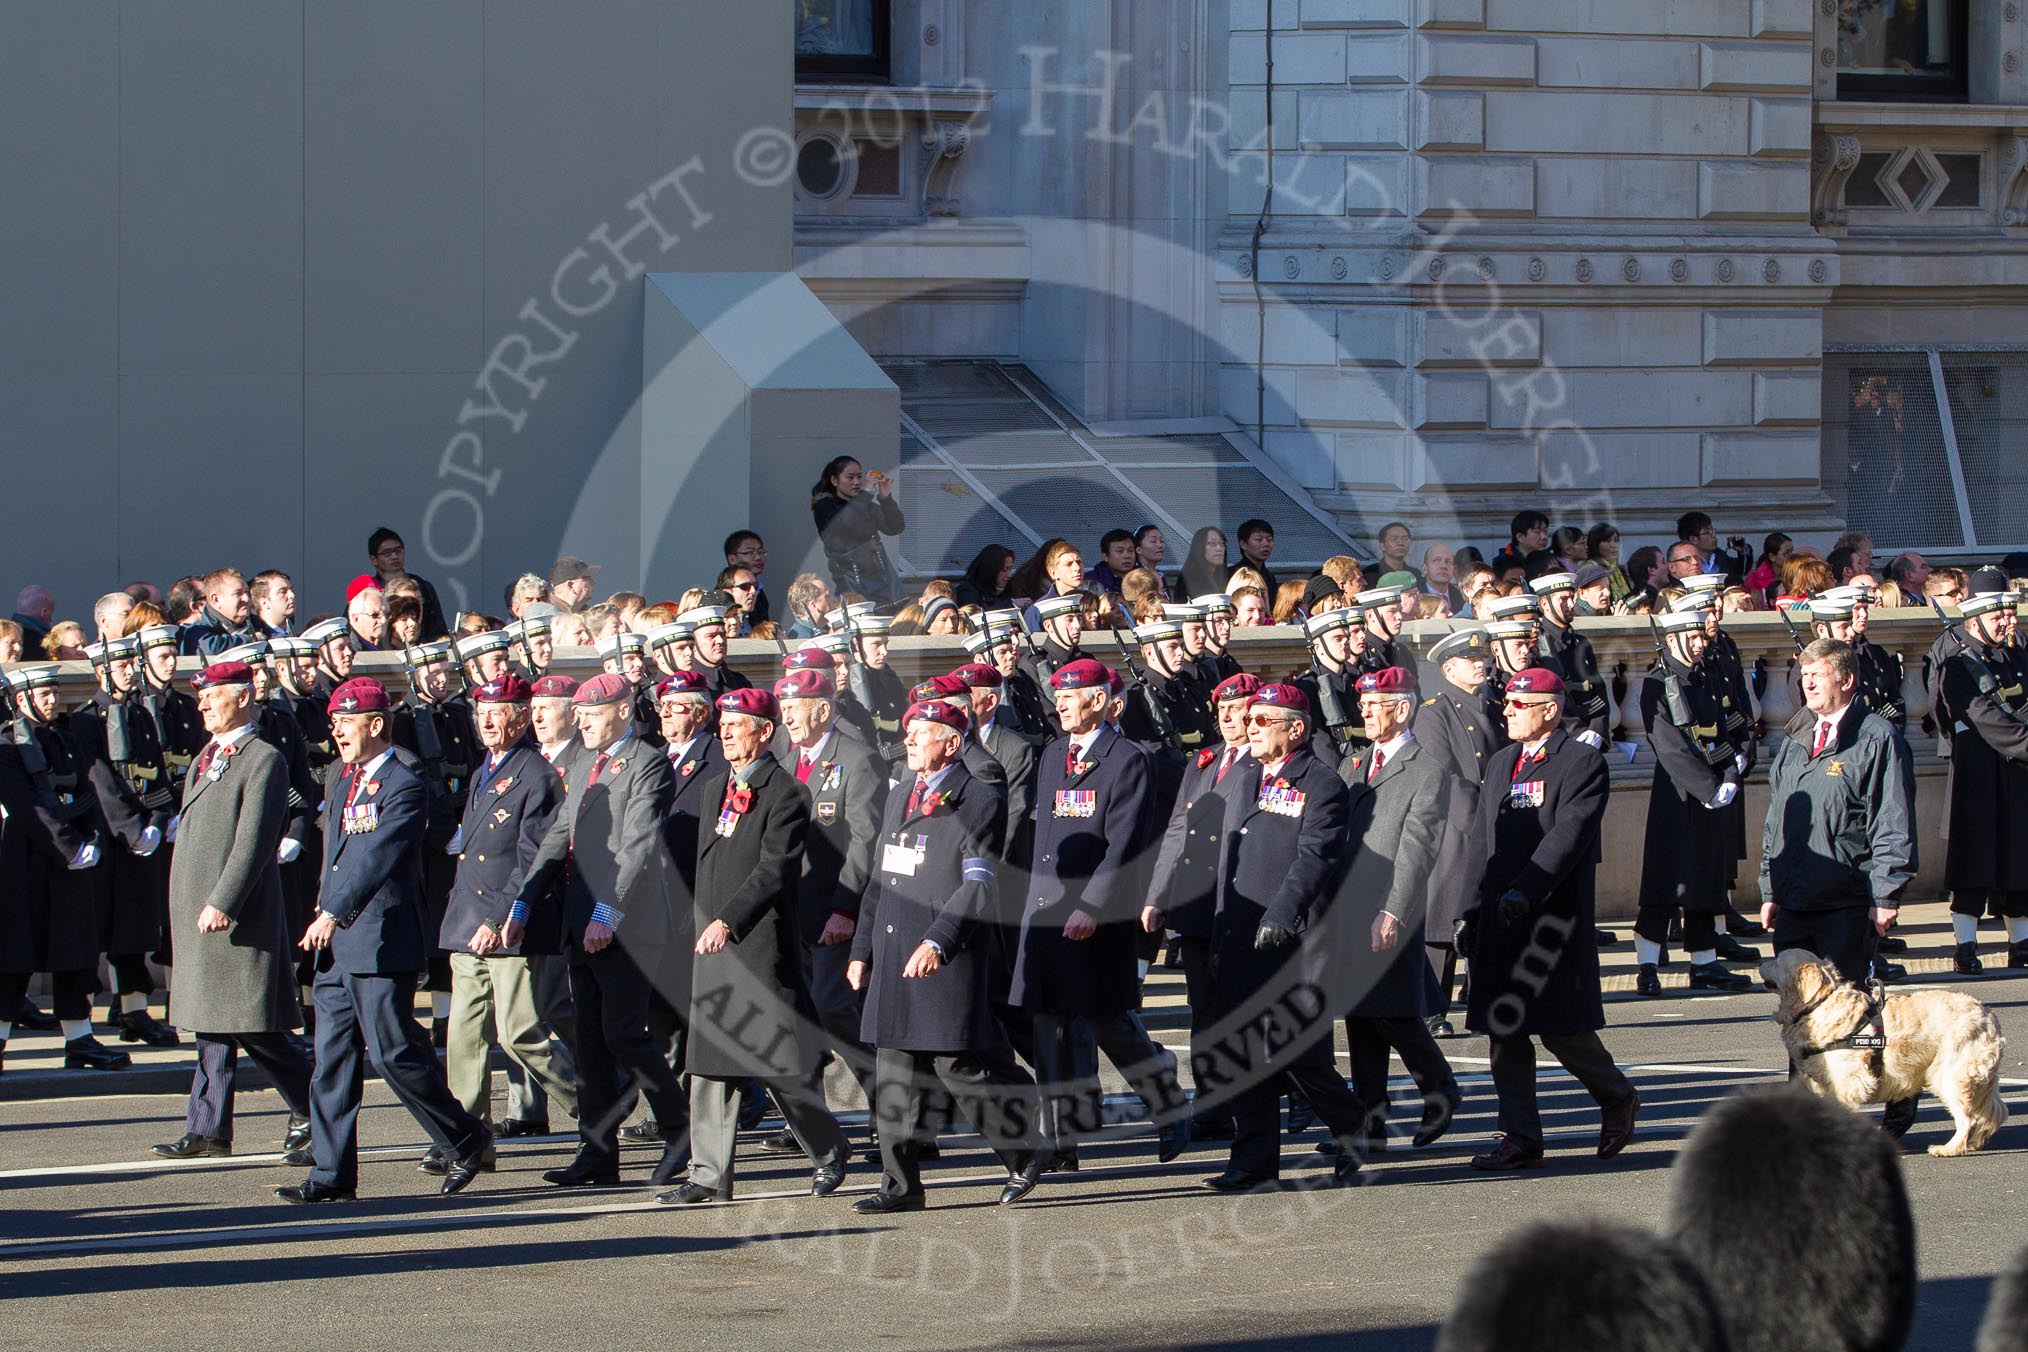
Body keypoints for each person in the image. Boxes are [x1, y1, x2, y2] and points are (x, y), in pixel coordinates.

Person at [278, 677, 491, 1203]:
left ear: (375, 725)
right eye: (333, 722)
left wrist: (332, 911)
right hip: (334, 945)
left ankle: (464, 1137)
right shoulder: (337, 776)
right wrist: (322, 911)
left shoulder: (405, 782)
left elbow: (379, 856)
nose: (337, 731)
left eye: (346, 722)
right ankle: (330, 1176)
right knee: (331, 1062)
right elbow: (336, 856)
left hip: (378, 939)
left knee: (394, 1053)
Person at [844, 699, 1052, 1212]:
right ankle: (900, 1187)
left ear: (952, 743)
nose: (909, 740)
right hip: (895, 950)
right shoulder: (901, 795)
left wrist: (939, 940)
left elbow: (976, 885)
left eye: (921, 733)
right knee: (892, 1070)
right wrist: (862, 948)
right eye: (909, 732)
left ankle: (1025, 1152)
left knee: (956, 1067)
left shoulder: (975, 797)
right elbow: (881, 879)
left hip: (942, 952)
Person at [661, 687, 850, 1205]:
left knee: (775, 1063)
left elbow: (774, 869)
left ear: (765, 732)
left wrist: (728, 921)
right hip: (709, 944)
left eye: (736, 723)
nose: (724, 731)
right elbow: (703, 865)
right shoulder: (714, 786)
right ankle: (707, 1175)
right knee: (709, 1062)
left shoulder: (786, 791)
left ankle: (830, 1146)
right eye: (721, 722)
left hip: (756, 944)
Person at [503, 673, 690, 1188]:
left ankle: (681, 1133)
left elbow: (639, 845)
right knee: (588, 1043)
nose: (580, 718)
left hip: (625, 923)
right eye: (579, 710)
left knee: (625, 1034)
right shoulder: (585, 762)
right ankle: (597, 1153)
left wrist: (608, 913)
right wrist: (524, 902)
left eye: (592, 709)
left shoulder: (648, 763)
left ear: (624, 709)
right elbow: (556, 837)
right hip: (578, 921)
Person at [1011, 658, 1190, 1168]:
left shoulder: (1127, 759)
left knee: (1108, 1021)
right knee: (1048, 1028)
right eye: (1057, 694)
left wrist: (1092, 905)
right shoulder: (1051, 756)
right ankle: (1058, 1144)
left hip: (1095, 918)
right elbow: (1044, 838)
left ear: (1097, 700)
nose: (1059, 702)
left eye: (1071, 694)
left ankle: (1168, 1105)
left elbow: (1125, 845)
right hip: (1046, 913)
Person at [1462, 668, 1638, 1171]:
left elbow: (1569, 835)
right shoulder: (1501, 763)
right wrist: (1467, 908)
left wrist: (1528, 889)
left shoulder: (1580, 761)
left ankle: (1617, 1096)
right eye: (1508, 704)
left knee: (1562, 1027)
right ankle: (1520, 1136)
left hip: (1548, 917)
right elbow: (1481, 841)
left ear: (1550, 709)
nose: (1508, 711)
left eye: (1520, 705)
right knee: (1504, 1029)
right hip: (1499, 916)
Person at [1200, 681, 1367, 1190]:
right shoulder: (1245, 774)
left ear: (1294, 729)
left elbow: (1314, 856)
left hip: (1291, 939)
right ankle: (1252, 1162)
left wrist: (1282, 913)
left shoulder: (1320, 783)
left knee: (1299, 1055)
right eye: (1247, 720)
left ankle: (1353, 1126)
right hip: (1239, 933)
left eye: (1260, 721)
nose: (1248, 729)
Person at [152, 660, 315, 1161]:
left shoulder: (261, 757)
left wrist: (224, 900)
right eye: (200, 695)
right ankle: (207, 1128)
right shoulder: (208, 753)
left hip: (235, 913)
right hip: (198, 909)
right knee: (211, 1024)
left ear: (242, 697)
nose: (201, 703)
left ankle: (316, 1106)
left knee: (254, 1023)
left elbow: (254, 840)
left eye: (212, 694)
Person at [429, 675, 576, 1173]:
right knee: (464, 1039)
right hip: (467, 921)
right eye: (480, 712)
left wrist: (501, 917)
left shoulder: (535, 774)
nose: (486, 721)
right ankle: (468, 1141)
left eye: (498, 712)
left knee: (520, 1036)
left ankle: (599, 1105)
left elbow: (533, 859)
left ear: (519, 718)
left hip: (509, 926)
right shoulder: (483, 771)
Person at [1332, 668, 1462, 1154]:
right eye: (1363, 702)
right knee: (1362, 1016)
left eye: (1375, 703)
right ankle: (1370, 1123)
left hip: (1387, 908)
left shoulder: (1425, 770)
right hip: (1350, 908)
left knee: (1392, 1012)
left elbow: (1417, 850)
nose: (1363, 710)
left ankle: (1441, 1089)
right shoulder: (1355, 764)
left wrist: (1394, 911)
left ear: (1402, 708)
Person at [1760, 637, 1915, 997]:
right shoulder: (1796, 737)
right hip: (1793, 904)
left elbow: (1892, 821)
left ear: (1846, 680)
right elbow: (1775, 821)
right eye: (1804, 674)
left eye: (1818, 674)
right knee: (1799, 1018)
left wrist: (1886, 895)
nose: (1808, 683)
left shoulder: (1876, 738)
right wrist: (1769, 890)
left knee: (1847, 1017)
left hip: (1845, 905)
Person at [772, 665, 887, 1149]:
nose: (788, 719)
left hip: (833, 910)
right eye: (784, 710)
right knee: (798, 1016)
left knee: (834, 1009)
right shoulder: (783, 755)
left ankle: (894, 1109)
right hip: (790, 910)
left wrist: (846, 909)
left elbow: (865, 842)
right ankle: (810, 1122)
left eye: (795, 710)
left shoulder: (856, 759)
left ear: (822, 710)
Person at [1144, 672, 1258, 1140]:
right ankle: (1212, 1108)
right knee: (1205, 1007)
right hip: (1197, 905)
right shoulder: (1205, 760)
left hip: (1240, 901)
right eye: (1223, 709)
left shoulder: (1270, 763)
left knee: (1243, 1007)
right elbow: (1177, 829)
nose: (1229, 717)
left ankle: (1262, 1103)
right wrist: (1157, 893)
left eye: (1239, 708)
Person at [0, 665, 130, 1073]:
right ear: (21, 700)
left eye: (54, 692)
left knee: (75, 955)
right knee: (14, 961)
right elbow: (27, 807)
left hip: (70, 865)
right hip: (27, 863)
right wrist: (70, 847)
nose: (52, 700)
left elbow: (87, 790)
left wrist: (89, 840)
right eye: (43, 694)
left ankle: (80, 1040)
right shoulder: (7, 745)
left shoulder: (65, 738)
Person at [1633, 609, 1755, 998]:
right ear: (1671, 640)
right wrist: (1707, 788)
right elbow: (1670, 747)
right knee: (1666, 879)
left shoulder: (1705, 676)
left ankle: (1704, 962)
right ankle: (1647, 965)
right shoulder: (1658, 684)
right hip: (1679, 793)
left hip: (1714, 788)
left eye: (1701, 635)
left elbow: (1725, 729)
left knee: (1707, 876)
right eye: (1691, 636)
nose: (1700, 642)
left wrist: (1733, 772)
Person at [71, 637, 175, 1044]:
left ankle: (136, 1013)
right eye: (122, 665)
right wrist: (133, 828)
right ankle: (81, 1024)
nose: (131, 670)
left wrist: (159, 819)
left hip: (141, 837)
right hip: (107, 838)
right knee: (96, 931)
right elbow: (100, 780)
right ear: (102, 672)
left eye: (133, 662)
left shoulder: (141, 714)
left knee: (135, 928)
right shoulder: (86, 720)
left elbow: (156, 773)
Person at [1930, 589, 2028, 974]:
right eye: (1999, 616)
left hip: (2016, 773)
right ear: (1974, 622)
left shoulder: (2016, 655)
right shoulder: (1958, 665)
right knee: (1975, 860)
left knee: (2019, 858)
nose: (2008, 621)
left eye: (2010, 613)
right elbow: (1986, 720)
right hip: (1979, 774)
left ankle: (2021, 944)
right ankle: (1966, 946)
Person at [1414, 628, 1503, 1037]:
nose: (1479, 663)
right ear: (1448, 668)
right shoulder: (1435, 712)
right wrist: (1480, 817)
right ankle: (1432, 1007)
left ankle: (1483, 1001)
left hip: (1493, 824)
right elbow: (1442, 774)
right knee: (1443, 923)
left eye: (1481, 658)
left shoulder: (1496, 705)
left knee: (1486, 922)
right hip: (1457, 828)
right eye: (1470, 660)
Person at [390, 641, 477, 1043]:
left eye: (444, 670)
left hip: (460, 829)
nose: (440, 678)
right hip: (427, 838)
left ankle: (444, 1019)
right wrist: (443, 830)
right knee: (423, 927)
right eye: (431, 672)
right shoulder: (404, 719)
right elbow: (414, 781)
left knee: (449, 926)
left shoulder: (457, 714)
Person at [811, 456, 905, 606]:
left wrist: (885, 498)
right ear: (835, 481)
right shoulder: (825, 506)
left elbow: (894, 527)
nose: (856, 482)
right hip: (851, 581)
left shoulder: (864, 504)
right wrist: (866, 493)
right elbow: (847, 522)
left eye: (859, 477)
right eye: (850, 477)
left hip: (880, 580)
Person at [1529, 572, 1609, 744]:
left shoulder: (1580, 642)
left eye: (1572, 597)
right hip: (1558, 739)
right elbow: (1544, 698)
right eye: (1563, 599)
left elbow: (1599, 691)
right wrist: (1577, 733)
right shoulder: (1536, 645)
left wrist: (1597, 730)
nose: (1571, 604)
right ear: (1545, 604)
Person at [1293, 606, 1368, 757]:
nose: (1346, 642)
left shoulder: (1355, 680)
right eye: (1338, 639)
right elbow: (1321, 744)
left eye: (1347, 637)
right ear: (1318, 647)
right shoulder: (1308, 687)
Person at [722, 530, 770, 627]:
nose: (758, 557)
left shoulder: (760, 595)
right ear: (732, 559)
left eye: (761, 552)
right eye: (749, 552)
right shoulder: (721, 600)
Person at [955, 544, 1017, 610]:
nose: (1009, 575)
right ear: (990, 569)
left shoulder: (1007, 589)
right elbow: (974, 614)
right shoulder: (967, 593)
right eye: (1004, 570)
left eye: (1010, 569)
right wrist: (1010, 604)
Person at [1493, 510, 1549, 579]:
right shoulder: (1503, 562)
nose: (1544, 537)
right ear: (1520, 537)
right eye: (1537, 532)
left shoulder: (1550, 560)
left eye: (1545, 531)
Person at [1177, 527, 1228, 601]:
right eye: (1212, 543)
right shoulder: (1189, 577)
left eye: (1222, 543)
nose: (1219, 548)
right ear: (1200, 546)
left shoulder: (1225, 576)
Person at [1234, 518, 1278, 598]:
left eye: (1269, 540)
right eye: (1259, 539)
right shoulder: (1234, 574)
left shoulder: (1270, 577)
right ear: (1243, 544)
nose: (1266, 544)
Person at [250, 570, 297, 637]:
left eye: (291, 590)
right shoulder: (254, 643)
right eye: (283, 592)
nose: (292, 595)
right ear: (264, 602)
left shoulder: (301, 638)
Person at [10, 585, 55, 651]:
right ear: (44, 612)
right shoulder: (41, 642)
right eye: (51, 613)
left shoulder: (6, 634)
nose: (51, 619)